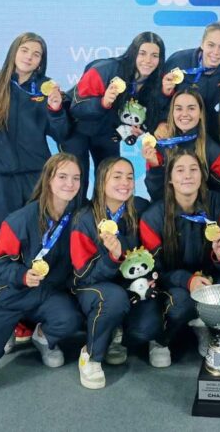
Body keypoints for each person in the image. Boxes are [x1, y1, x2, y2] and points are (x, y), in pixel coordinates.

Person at [0, 154, 84, 392]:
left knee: (70, 318)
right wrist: (22, 275)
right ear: (48, 180)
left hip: (47, 294)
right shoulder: (20, 220)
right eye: (62, 176)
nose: (69, 184)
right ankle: (7, 329)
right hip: (10, 295)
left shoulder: (79, 217)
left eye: (76, 178)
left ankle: (43, 336)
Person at [140, 151, 220, 366]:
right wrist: (187, 280)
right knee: (180, 303)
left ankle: (205, 326)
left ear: (202, 175)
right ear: (169, 178)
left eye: (193, 169)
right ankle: (161, 340)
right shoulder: (153, 216)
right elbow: (154, 270)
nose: (187, 175)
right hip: (173, 282)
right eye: (180, 170)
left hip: (210, 277)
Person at [0, 33, 67, 264]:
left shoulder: (46, 89)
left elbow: (62, 134)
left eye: (36, 54)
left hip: (35, 178)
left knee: (34, 239)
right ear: (13, 51)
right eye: (25, 50)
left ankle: (34, 295)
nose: (29, 57)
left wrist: (56, 109)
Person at [69, 157, 162, 389]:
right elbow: (83, 275)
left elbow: (150, 253)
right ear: (101, 181)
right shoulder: (84, 219)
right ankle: (91, 356)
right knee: (113, 298)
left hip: (128, 287)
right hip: (93, 286)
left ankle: (113, 334)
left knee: (148, 325)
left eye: (130, 177)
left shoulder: (139, 208)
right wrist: (112, 258)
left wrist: (150, 277)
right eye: (117, 176)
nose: (125, 182)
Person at [68, 32, 175, 198]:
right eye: (142, 53)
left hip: (107, 133)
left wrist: (141, 127)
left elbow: (149, 115)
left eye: (155, 55)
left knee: (109, 181)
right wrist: (103, 102)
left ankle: (102, 221)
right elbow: (76, 107)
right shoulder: (104, 70)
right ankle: (76, 222)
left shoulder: (156, 81)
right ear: (133, 53)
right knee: (76, 181)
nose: (148, 60)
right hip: (76, 129)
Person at [142, 88, 220, 202]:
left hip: (202, 214)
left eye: (191, 108)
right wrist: (154, 166)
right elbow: (156, 195)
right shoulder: (160, 147)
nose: (184, 114)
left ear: (200, 113)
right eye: (179, 108)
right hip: (168, 211)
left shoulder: (215, 153)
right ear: (172, 113)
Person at [164, 21, 220, 128]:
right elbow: (156, 98)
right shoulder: (177, 61)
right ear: (202, 43)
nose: (216, 52)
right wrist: (164, 93)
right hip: (178, 126)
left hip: (213, 130)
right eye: (211, 45)